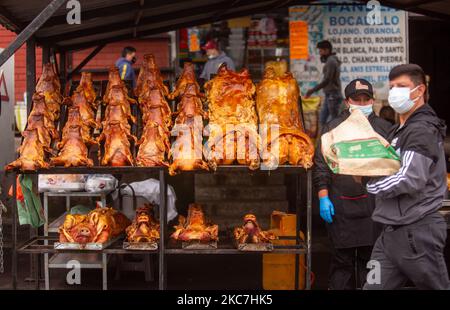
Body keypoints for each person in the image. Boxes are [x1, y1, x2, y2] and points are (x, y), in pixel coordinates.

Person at [364, 64, 449, 290]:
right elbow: (385, 167)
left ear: (419, 91)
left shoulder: (421, 129)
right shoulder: (399, 130)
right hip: (390, 233)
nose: (394, 92)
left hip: (417, 232)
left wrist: (369, 184)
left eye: (401, 86)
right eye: (392, 87)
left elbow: (409, 178)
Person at [313, 79, 392, 290]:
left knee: (373, 261)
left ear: (373, 100)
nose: (362, 102)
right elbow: (321, 166)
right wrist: (323, 198)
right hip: (341, 206)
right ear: (348, 101)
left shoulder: (385, 129)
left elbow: (397, 167)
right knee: (342, 262)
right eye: (357, 99)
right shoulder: (333, 127)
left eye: (366, 99)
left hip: (376, 207)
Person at [305, 40, 343, 126]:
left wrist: (312, 90)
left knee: (333, 121)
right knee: (322, 119)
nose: (320, 53)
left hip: (333, 96)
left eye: (321, 51)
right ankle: (322, 138)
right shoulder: (331, 60)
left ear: (327, 50)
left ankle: (333, 139)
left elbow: (327, 80)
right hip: (329, 95)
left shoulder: (331, 62)